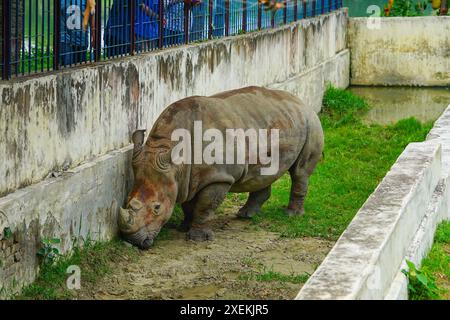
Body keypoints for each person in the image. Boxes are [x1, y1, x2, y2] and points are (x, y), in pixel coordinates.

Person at [60, 0, 95, 66]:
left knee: (80, 66)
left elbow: (92, 17)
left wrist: (94, 35)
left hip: (81, 40)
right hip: (65, 39)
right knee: (67, 68)